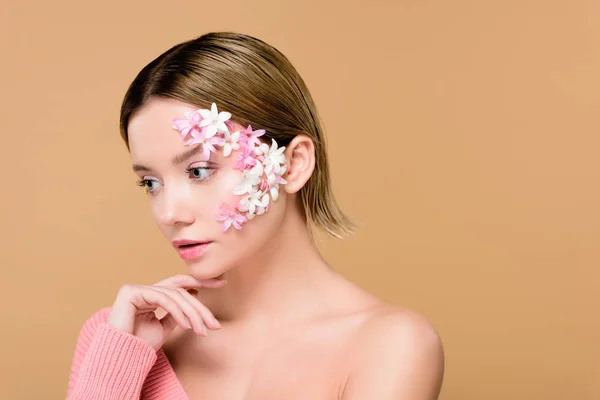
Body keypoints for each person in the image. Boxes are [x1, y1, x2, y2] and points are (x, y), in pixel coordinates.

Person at [66, 31, 444, 400]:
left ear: (293, 165)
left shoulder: (388, 347)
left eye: (199, 171)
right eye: (150, 183)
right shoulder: (119, 336)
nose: (169, 213)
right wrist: (115, 368)